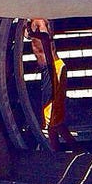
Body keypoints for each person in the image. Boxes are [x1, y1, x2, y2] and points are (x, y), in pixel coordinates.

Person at [26, 18, 75, 151]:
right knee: (54, 117)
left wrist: (31, 33)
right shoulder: (34, 21)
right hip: (49, 68)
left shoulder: (38, 20)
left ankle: (56, 150)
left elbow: (45, 35)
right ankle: (70, 148)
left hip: (52, 68)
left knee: (50, 114)